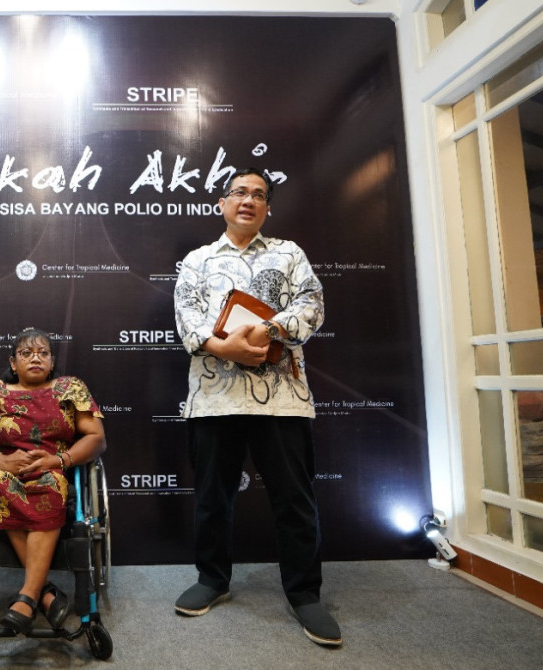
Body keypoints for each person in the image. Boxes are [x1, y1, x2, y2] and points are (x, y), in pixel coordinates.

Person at [172, 168, 340, 646]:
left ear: (267, 208)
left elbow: (312, 304)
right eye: (239, 193)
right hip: (213, 397)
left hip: (283, 400)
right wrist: (222, 348)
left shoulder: (290, 254)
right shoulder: (196, 261)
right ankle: (212, 580)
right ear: (222, 204)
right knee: (212, 499)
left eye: (259, 195)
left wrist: (266, 332)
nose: (248, 200)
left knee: (295, 501)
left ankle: (305, 595)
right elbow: (186, 317)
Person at [0, 327, 107, 634]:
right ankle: (44, 593)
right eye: (26, 353)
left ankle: (28, 596)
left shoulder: (69, 388)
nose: (36, 358)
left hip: (54, 469)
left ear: (51, 360)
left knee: (49, 484)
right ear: (12, 362)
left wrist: (59, 460)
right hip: (3, 471)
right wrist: (2, 461)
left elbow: (96, 438)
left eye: (43, 353)